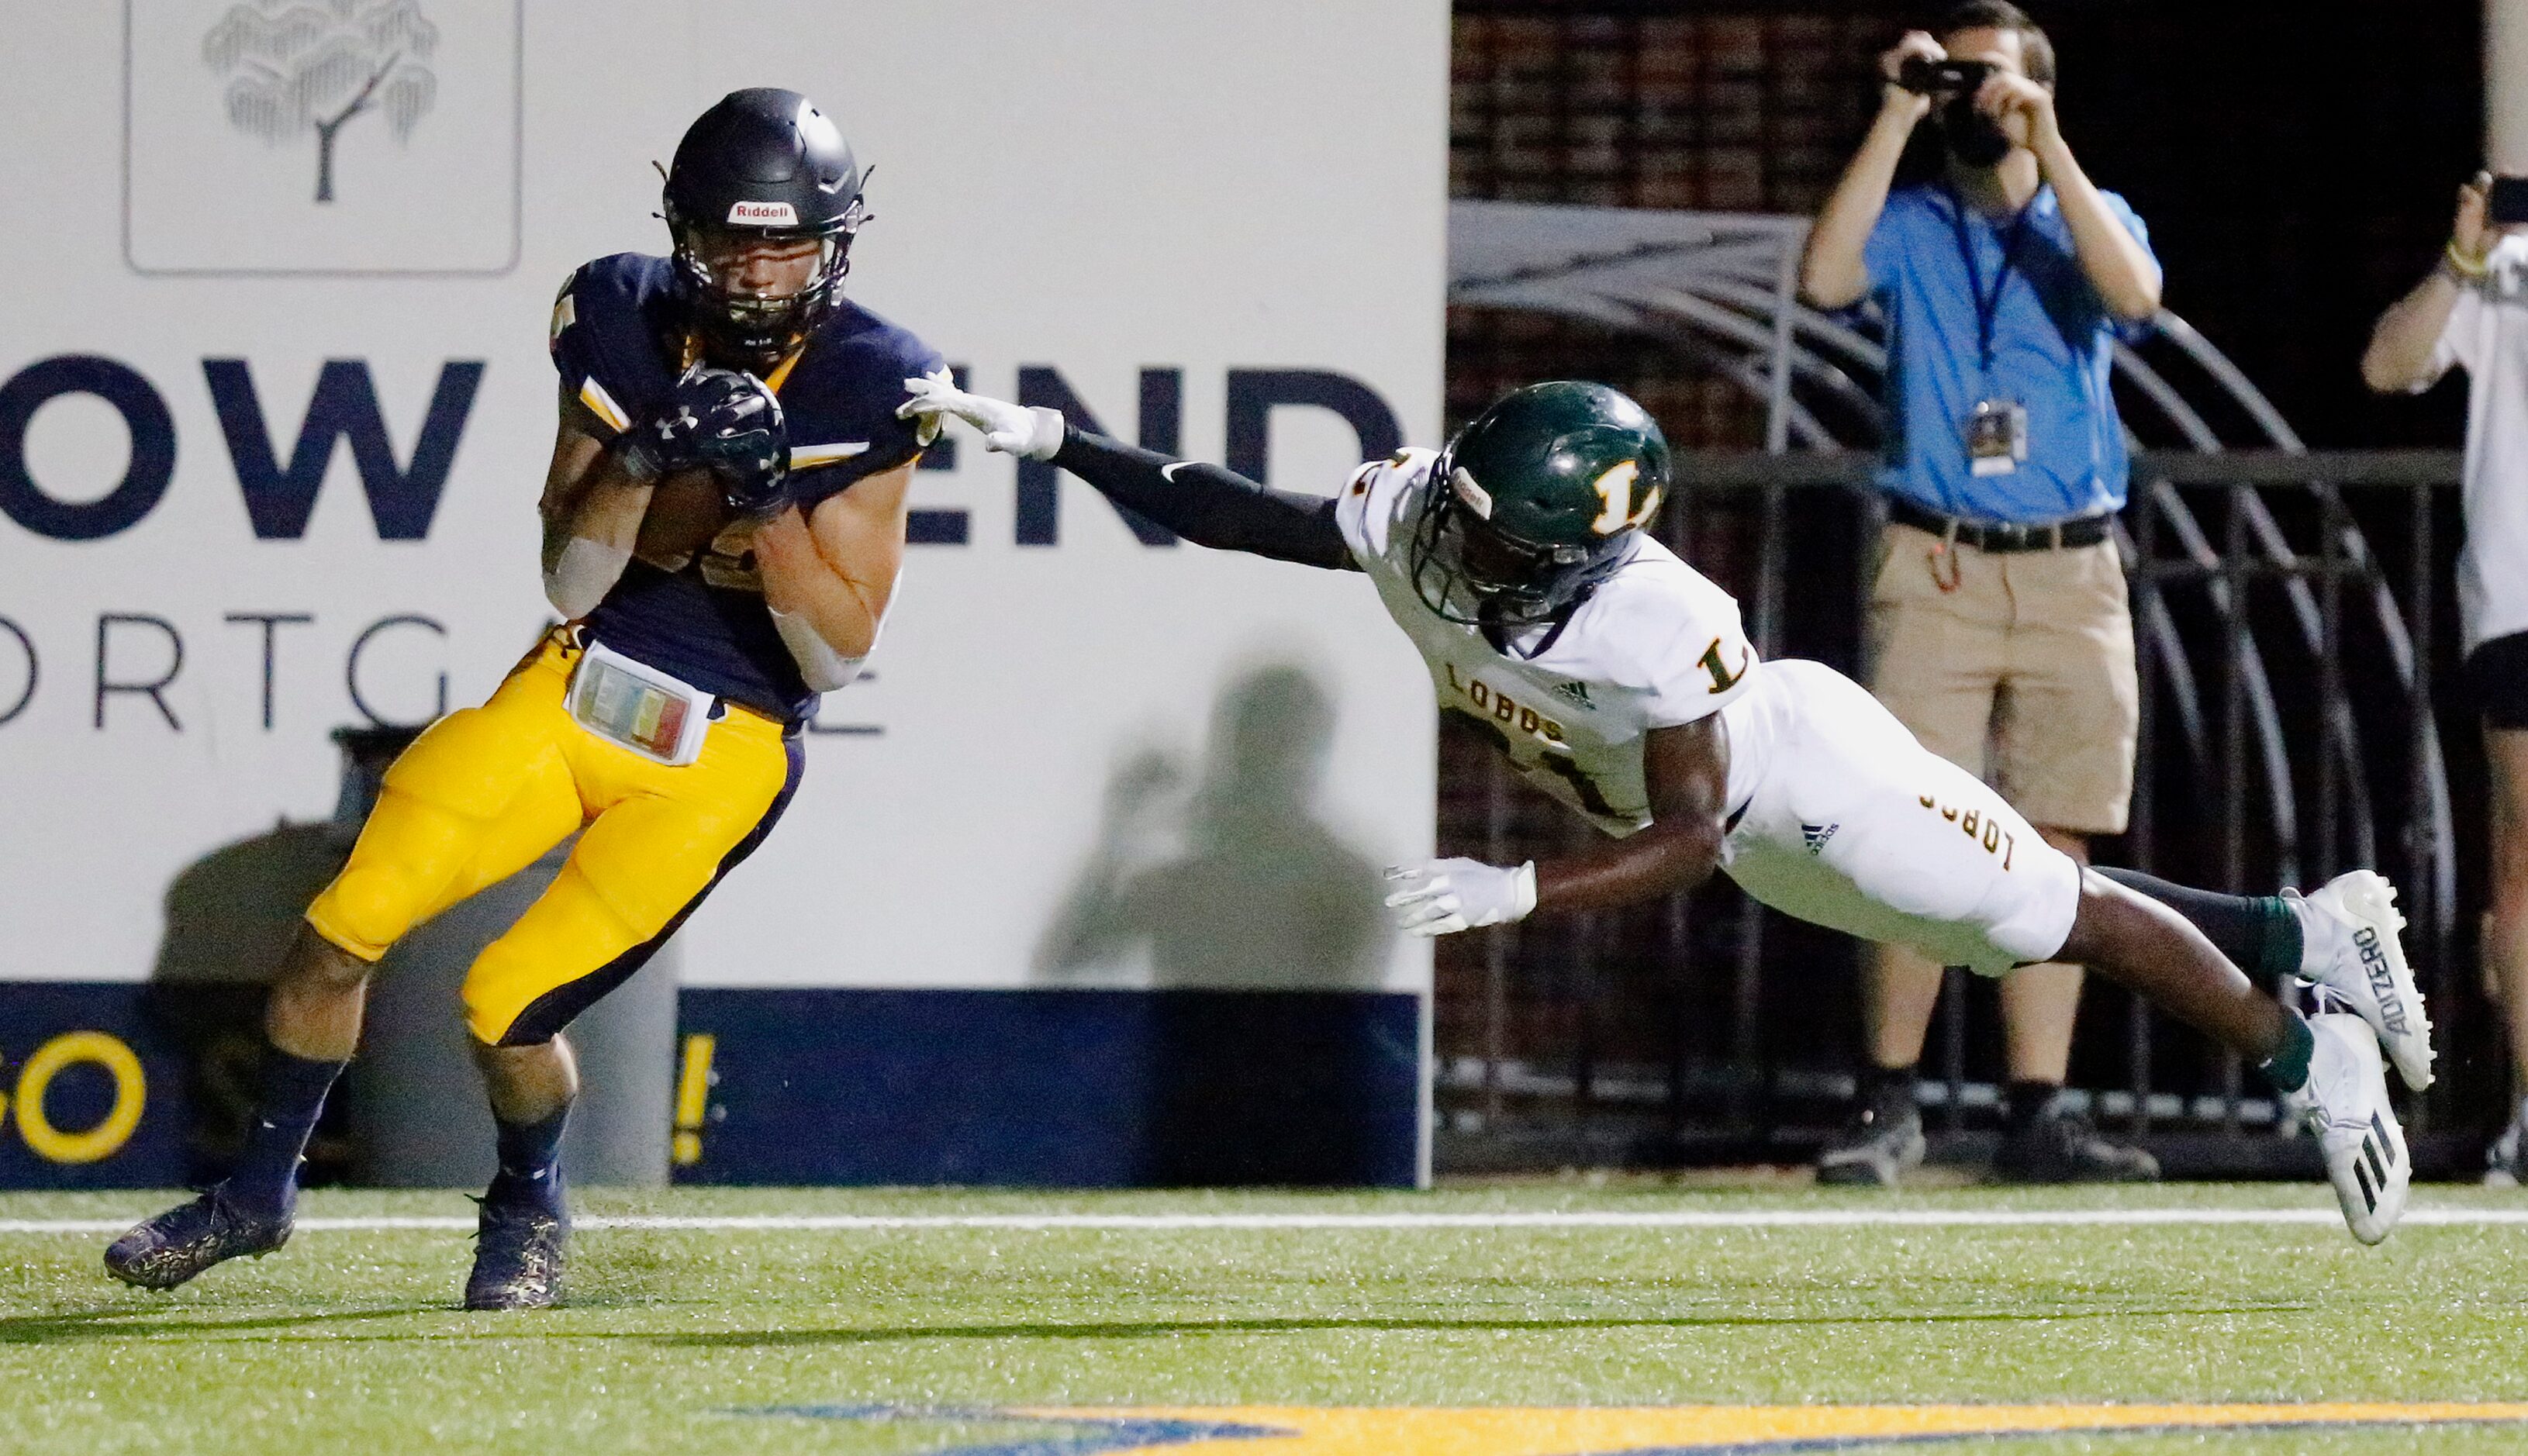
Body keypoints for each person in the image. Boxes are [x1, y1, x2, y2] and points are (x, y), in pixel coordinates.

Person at [900, 374, 2433, 1244]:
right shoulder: (1428, 516)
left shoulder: (1655, 619)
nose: (1448, 552)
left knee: (2050, 915)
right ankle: (2306, 929)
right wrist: (1060, 442)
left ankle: (2311, 1058)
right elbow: (1242, 514)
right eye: (1455, 518)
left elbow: (1695, 836)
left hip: (1803, 787)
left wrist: (1521, 889)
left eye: (1490, 542)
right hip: (1743, 834)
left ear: (1581, 554)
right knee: (2013, 917)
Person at [104, 89, 943, 1309]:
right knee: (342, 927)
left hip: (725, 748)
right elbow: (572, 574)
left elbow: (833, 656)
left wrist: (764, 503)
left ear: (834, 243)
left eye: (786, 244)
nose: (759, 275)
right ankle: (255, 1195)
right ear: (681, 232)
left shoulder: (880, 379)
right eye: (731, 242)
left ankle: (529, 1197)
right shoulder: (616, 311)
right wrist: (646, 452)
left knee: (505, 1004)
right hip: (573, 684)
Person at [1795, 2, 2164, 1185]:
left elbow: (2135, 297)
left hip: (2072, 565)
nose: (1979, 101)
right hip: (1939, 560)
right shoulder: (1912, 223)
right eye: (1963, 79)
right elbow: (1823, 277)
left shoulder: (2084, 218)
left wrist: (2046, 140)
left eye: (1997, 79)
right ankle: (1887, 1105)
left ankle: (2039, 1112)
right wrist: (1901, 107)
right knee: (1903, 828)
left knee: (2054, 838)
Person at [2363, 170, 2528, 1183]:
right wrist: (2462, 254)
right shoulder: (2503, 269)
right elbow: (2389, 363)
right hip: (2519, 600)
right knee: (2522, 857)